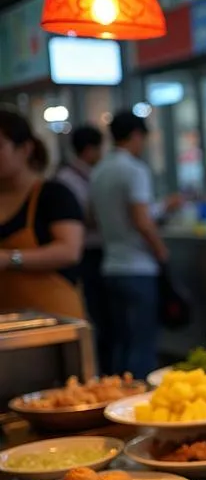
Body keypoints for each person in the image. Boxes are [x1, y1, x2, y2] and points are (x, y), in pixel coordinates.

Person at [90, 111, 169, 379]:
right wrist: (160, 251)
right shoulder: (134, 170)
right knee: (141, 344)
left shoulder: (98, 170)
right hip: (137, 267)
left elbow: (91, 217)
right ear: (136, 135)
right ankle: (137, 408)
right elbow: (142, 220)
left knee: (119, 342)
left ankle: (114, 402)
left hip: (109, 265)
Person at [0, 107, 84, 318]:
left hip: (54, 321)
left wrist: (11, 259)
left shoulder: (53, 195)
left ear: (25, 149)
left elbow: (69, 251)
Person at [56, 124, 111, 369]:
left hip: (99, 252)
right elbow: (85, 218)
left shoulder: (93, 174)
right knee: (96, 313)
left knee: (105, 315)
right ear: (89, 150)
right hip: (86, 255)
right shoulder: (67, 180)